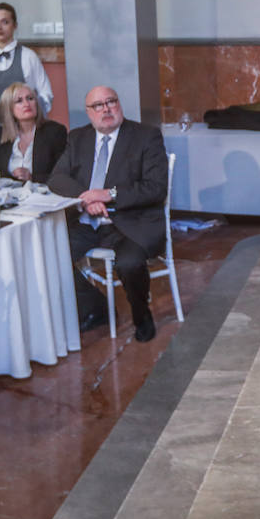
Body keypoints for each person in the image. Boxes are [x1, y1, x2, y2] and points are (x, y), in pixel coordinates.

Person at [48, 86, 167, 341]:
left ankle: (141, 314)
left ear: (119, 104)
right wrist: (86, 197)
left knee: (129, 263)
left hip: (128, 223)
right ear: (89, 112)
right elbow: (56, 178)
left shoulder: (146, 136)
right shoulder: (78, 138)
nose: (106, 109)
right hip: (86, 221)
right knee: (50, 255)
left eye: (111, 102)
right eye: (98, 105)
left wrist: (108, 194)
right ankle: (97, 308)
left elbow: (155, 188)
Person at [0, 2, 53, 119]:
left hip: (25, 126)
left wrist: (33, 119)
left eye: (5, 22)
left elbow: (45, 94)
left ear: (15, 25)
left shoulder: (28, 56)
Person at [0, 81, 67, 184]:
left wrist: (32, 177)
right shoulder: (1, 135)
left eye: (30, 98)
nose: (26, 104)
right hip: (12, 196)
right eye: (19, 101)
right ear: (9, 109)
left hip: (45, 195)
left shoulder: (55, 132)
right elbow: (3, 173)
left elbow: (63, 174)